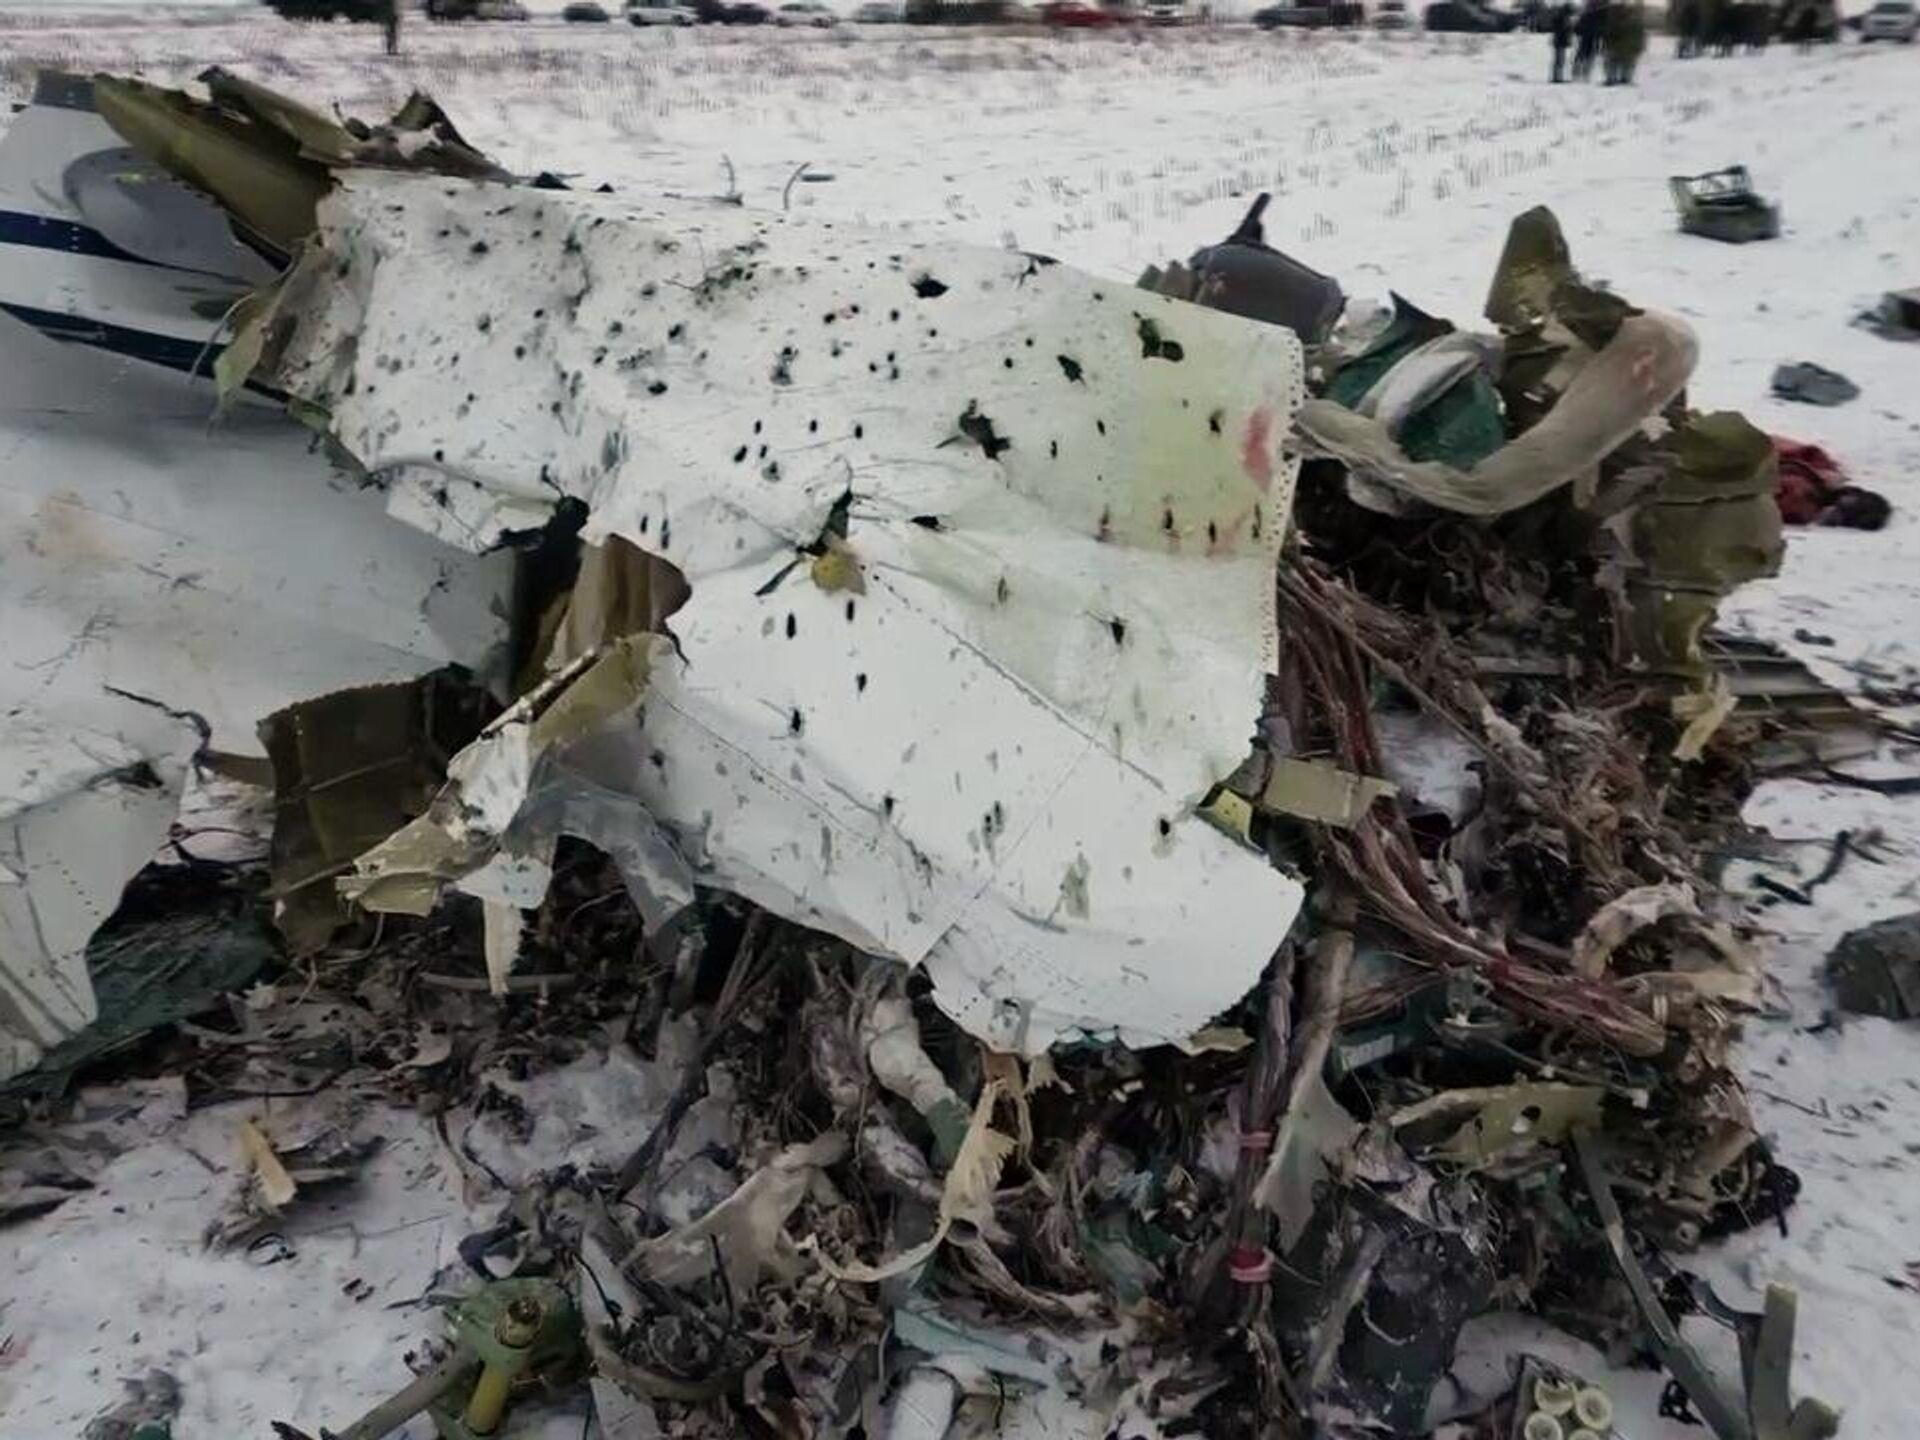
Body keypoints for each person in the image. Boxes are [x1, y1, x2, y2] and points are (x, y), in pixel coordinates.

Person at [1573, 0, 1604, 78]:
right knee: (1584, 55)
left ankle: (1584, 73)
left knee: (1587, 55)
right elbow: (1577, 28)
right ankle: (1580, 72)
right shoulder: (1589, 15)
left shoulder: (1595, 15)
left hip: (1591, 38)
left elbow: (1577, 28)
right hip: (1587, 37)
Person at [1551, 3, 1574, 80]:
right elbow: (1563, 30)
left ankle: (1558, 76)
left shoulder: (1562, 18)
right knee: (1559, 60)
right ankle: (1557, 77)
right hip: (1560, 42)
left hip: (1560, 42)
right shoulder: (1562, 18)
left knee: (1560, 60)